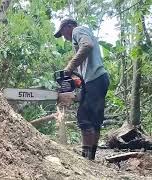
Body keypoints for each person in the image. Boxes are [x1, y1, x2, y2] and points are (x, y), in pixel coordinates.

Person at [54, 18, 110, 160]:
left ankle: (86, 158)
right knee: (95, 121)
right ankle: (90, 157)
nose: (65, 37)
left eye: (63, 33)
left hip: (95, 80)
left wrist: (69, 68)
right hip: (97, 79)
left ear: (69, 26)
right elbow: (82, 75)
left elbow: (87, 45)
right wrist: (74, 84)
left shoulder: (78, 30)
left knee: (84, 118)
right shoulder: (82, 34)